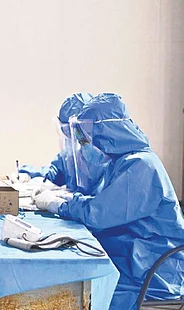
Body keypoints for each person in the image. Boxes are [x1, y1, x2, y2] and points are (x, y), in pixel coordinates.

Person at [32, 93, 184, 309]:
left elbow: (97, 214)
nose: (86, 144)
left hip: (149, 276)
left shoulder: (141, 167)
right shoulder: (121, 163)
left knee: (70, 292)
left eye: (88, 136)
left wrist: (60, 204)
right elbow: (101, 202)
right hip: (132, 261)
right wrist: (67, 199)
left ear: (107, 132)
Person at [17, 92, 93, 192]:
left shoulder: (102, 157)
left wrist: (59, 204)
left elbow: (99, 204)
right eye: (66, 130)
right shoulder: (71, 153)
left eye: (75, 130)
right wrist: (28, 174)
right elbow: (57, 172)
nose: (72, 137)